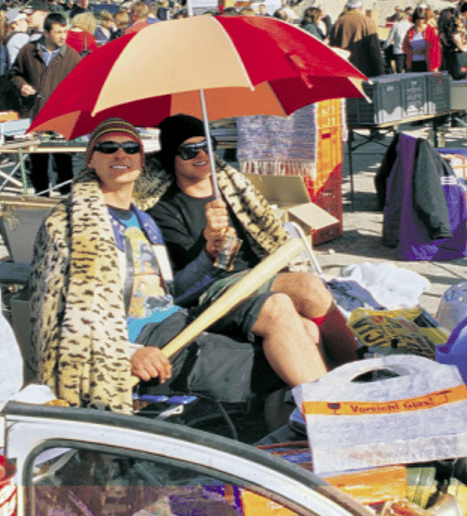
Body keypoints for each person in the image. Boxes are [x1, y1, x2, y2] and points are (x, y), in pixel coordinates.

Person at [24, 117, 328, 418]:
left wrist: (210, 256)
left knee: (297, 323)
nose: (121, 155)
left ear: (142, 160)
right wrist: (128, 354)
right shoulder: (71, 224)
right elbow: (57, 319)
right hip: (140, 344)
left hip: (177, 321)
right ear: (90, 160)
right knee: (285, 358)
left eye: (130, 148)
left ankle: (311, 426)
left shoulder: (142, 221)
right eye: (108, 147)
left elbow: (175, 293)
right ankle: (331, 422)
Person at [141, 114, 360, 368]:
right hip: (214, 287)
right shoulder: (164, 208)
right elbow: (189, 280)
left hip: (258, 274)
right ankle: (354, 372)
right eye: (189, 151)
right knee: (308, 287)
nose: (202, 156)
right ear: (171, 156)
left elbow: (267, 232)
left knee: (309, 328)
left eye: (208, 146)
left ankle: (346, 376)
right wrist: (211, 242)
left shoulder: (232, 187)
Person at [10, 12, 78, 194]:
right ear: (46, 33)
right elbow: (14, 74)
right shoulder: (28, 50)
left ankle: (66, 200)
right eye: (58, 32)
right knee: (38, 164)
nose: (63, 36)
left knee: (64, 164)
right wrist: (22, 85)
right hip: (34, 114)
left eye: (65, 31)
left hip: (60, 119)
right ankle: (41, 199)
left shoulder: (71, 56)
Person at [329, 0, 384, 78]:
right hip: (363, 70)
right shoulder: (367, 21)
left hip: (343, 69)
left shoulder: (338, 22)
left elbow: (332, 46)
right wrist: (380, 71)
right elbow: (374, 48)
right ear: (361, 8)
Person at [403, 6, 441, 72]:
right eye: (418, 19)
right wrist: (412, 52)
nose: (420, 21)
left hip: (428, 63)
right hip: (414, 62)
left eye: (422, 19)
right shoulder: (410, 31)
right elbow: (405, 47)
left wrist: (435, 66)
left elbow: (436, 49)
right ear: (414, 19)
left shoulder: (431, 30)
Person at [439, 7, 467, 80]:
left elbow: (444, 40)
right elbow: (456, 37)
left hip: (448, 56)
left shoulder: (443, 28)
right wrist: (465, 48)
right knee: (461, 78)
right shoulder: (455, 24)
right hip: (458, 56)